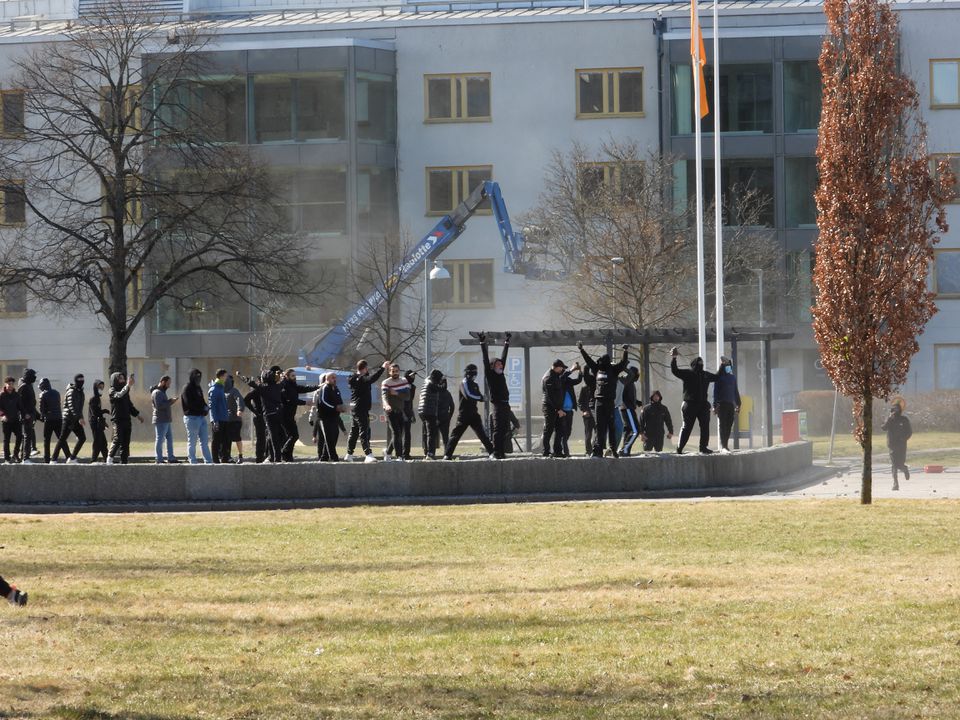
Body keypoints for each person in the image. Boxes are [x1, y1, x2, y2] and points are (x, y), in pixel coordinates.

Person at [578, 342, 630, 459]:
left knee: (611, 426)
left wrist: (625, 351)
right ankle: (598, 450)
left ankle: (613, 449)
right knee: (599, 427)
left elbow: (623, 363)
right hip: (599, 402)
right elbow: (589, 361)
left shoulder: (613, 369)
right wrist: (581, 350)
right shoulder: (598, 369)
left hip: (609, 402)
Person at [670, 346, 720, 454]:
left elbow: (717, 377)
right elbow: (675, 371)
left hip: (700, 405)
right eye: (699, 364)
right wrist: (674, 358)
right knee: (688, 427)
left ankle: (702, 448)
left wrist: (674, 358)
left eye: (701, 364)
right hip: (690, 404)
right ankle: (680, 448)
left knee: (702, 427)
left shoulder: (702, 374)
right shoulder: (692, 374)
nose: (700, 365)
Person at [443, 364, 494, 460]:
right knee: (455, 435)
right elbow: (468, 395)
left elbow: (478, 395)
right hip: (464, 415)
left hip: (474, 414)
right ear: (467, 373)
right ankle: (447, 455)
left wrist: (484, 397)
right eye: (473, 372)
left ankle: (491, 453)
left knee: (482, 435)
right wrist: (482, 398)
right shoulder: (463, 383)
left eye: (475, 372)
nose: (474, 375)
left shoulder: (475, 385)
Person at [345, 359, 389, 463]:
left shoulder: (353, 378)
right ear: (365, 368)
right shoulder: (362, 379)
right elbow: (372, 378)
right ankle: (368, 454)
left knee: (354, 432)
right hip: (361, 409)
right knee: (364, 431)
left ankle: (349, 454)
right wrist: (382, 368)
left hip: (355, 408)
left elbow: (367, 378)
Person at [479, 331, 511, 459]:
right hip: (497, 405)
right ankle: (496, 452)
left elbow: (504, 357)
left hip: (505, 404)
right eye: (498, 364)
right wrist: (482, 343)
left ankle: (502, 451)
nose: (501, 365)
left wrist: (507, 343)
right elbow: (485, 360)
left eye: (501, 365)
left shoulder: (501, 373)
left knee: (504, 429)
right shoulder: (491, 374)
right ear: (493, 366)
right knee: (497, 429)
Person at [279, 369, 319, 462]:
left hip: (290, 415)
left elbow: (305, 388)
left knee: (291, 436)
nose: (295, 377)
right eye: (292, 375)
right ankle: (284, 452)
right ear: (287, 376)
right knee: (294, 436)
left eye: (295, 375)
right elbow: (292, 400)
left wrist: (317, 387)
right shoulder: (284, 386)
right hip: (284, 415)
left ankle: (288, 456)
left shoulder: (293, 385)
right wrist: (305, 402)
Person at [107, 371, 142, 464]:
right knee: (118, 439)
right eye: (120, 378)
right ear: (115, 380)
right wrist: (128, 386)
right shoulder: (112, 390)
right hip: (117, 420)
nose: (122, 380)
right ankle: (109, 458)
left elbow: (129, 406)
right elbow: (118, 396)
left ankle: (124, 462)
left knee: (126, 443)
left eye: (123, 378)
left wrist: (137, 415)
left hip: (127, 420)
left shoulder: (125, 391)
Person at [180, 368, 212, 464]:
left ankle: (208, 461)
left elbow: (202, 401)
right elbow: (189, 404)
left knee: (204, 442)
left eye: (200, 376)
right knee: (192, 441)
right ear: (192, 376)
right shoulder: (187, 388)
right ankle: (193, 461)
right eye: (196, 376)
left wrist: (206, 408)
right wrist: (202, 409)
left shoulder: (198, 388)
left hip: (201, 418)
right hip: (192, 418)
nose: (199, 378)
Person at [381, 363, 411, 462]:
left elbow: (407, 397)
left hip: (400, 411)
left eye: (396, 371)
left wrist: (396, 393)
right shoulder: (386, 382)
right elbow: (384, 396)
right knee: (396, 433)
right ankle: (399, 456)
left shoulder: (404, 381)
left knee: (399, 434)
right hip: (390, 411)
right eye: (393, 371)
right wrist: (386, 405)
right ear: (389, 372)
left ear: (399, 371)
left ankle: (388, 452)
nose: (395, 373)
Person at [315, 372, 348, 461]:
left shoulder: (336, 389)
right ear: (327, 379)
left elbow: (339, 401)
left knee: (335, 436)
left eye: (335, 377)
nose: (335, 379)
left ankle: (324, 458)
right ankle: (334, 458)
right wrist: (335, 408)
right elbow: (323, 402)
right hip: (325, 417)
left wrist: (343, 407)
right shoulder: (324, 388)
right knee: (329, 437)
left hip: (334, 417)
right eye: (333, 377)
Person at [54, 374, 86, 464]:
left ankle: (72, 458)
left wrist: (81, 417)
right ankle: (53, 459)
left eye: (83, 380)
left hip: (76, 419)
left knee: (82, 438)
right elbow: (72, 407)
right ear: (75, 381)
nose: (81, 381)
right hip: (68, 419)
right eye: (79, 380)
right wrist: (80, 417)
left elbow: (79, 408)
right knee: (62, 439)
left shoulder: (80, 392)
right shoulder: (71, 392)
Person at [713, 356, 742, 452]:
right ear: (724, 366)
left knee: (729, 425)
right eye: (728, 365)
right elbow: (715, 392)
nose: (729, 367)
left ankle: (725, 444)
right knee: (723, 425)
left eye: (730, 365)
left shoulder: (732, 378)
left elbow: (735, 391)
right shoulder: (719, 378)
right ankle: (723, 445)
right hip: (722, 404)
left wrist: (738, 404)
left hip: (730, 405)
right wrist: (715, 404)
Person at [882, 401, 913, 491]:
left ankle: (904, 469)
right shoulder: (890, 419)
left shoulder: (904, 419)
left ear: (900, 410)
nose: (895, 411)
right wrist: (889, 419)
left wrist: (904, 438)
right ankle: (896, 484)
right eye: (893, 409)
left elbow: (909, 432)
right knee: (894, 465)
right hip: (892, 445)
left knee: (900, 464)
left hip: (902, 445)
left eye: (897, 409)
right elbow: (884, 428)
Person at [554, 361, 582, 458]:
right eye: (563, 369)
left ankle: (564, 447)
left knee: (568, 431)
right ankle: (565, 451)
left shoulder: (568, 381)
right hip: (562, 411)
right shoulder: (559, 380)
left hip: (569, 411)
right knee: (562, 431)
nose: (564, 370)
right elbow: (562, 378)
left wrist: (580, 371)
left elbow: (578, 381)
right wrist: (572, 369)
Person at [540, 359, 567, 457]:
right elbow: (550, 396)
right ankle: (546, 451)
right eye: (561, 368)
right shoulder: (549, 377)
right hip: (550, 407)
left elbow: (564, 374)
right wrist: (558, 409)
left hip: (558, 408)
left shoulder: (556, 375)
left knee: (560, 429)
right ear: (556, 367)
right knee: (549, 428)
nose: (562, 370)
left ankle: (558, 451)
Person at [150, 375, 178, 464]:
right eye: (168, 383)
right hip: (161, 420)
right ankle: (159, 459)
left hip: (166, 419)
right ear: (162, 382)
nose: (169, 385)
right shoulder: (157, 392)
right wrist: (171, 401)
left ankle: (171, 457)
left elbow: (163, 404)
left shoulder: (161, 392)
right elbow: (159, 406)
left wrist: (169, 401)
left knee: (169, 438)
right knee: (160, 439)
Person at [418, 369, 444, 459]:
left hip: (422, 410)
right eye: (440, 378)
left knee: (426, 432)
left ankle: (426, 452)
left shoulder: (426, 381)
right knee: (431, 433)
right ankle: (430, 453)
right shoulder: (432, 383)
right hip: (429, 411)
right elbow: (442, 389)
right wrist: (444, 382)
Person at [38, 377, 62, 464]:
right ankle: (68, 456)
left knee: (46, 440)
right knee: (61, 439)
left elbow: (42, 410)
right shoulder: (57, 393)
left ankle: (47, 459)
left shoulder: (42, 395)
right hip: (59, 418)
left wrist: (42, 417)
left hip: (49, 420)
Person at [208, 369, 230, 463]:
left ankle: (225, 458)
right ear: (221, 376)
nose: (226, 378)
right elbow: (212, 407)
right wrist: (214, 420)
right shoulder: (214, 389)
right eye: (225, 376)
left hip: (224, 418)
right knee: (216, 440)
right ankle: (215, 459)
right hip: (218, 419)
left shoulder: (221, 388)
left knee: (225, 440)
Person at [243, 379, 268, 463]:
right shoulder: (256, 391)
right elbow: (246, 400)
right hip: (259, 417)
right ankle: (259, 457)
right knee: (261, 438)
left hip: (266, 416)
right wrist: (255, 411)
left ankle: (266, 455)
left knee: (267, 437)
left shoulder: (267, 390)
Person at [0, 376, 24, 463]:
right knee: (7, 439)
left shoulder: (16, 395)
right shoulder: (2, 395)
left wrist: (26, 415)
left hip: (15, 420)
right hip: (6, 421)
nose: (10, 385)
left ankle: (15, 454)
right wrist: (2, 415)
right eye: (9, 384)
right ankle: (7, 458)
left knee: (20, 436)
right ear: (5, 384)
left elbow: (20, 407)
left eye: (12, 384)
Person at [619, 366, 642, 456]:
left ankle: (625, 451)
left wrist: (636, 402)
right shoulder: (626, 382)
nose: (638, 375)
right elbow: (622, 395)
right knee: (635, 431)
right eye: (637, 373)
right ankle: (624, 449)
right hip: (627, 409)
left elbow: (628, 396)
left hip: (629, 408)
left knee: (628, 430)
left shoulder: (630, 383)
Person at [17, 369, 37, 462]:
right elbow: (20, 403)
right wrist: (25, 414)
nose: (35, 377)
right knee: (27, 436)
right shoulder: (24, 386)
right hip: (26, 416)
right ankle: (25, 458)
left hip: (30, 415)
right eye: (33, 375)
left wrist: (37, 415)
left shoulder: (29, 385)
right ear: (28, 376)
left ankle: (24, 457)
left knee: (27, 436)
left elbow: (31, 403)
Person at [224, 375, 244, 463]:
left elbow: (239, 399)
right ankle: (227, 456)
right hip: (225, 420)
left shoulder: (233, 391)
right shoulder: (221, 392)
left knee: (236, 437)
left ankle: (240, 455)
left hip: (235, 419)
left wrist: (240, 409)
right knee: (227, 439)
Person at [89, 380, 110, 463]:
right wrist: (105, 411)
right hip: (95, 424)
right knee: (98, 442)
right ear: (95, 388)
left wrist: (104, 423)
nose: (101, 389)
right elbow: (95, 412)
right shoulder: (93, 399)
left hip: (98, 423)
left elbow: (98, 412)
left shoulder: (97, 398)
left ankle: (107, 459)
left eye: (102, 387)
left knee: (103, 443)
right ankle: (93, 460)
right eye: (99, 387)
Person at [578, 367, 595, 455]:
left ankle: (595, 449)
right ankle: (588, 451)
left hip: (596, 414)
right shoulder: (584, 388)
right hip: (587, 415)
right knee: (588, 434)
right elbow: (580, 401)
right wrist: (584, 410)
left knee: (598, 434)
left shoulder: (599, 386)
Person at [437, 377, 455, 453]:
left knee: (433, 436)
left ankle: (431, 453)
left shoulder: (437, 392)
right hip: (443, 417)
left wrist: (449, 417)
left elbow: (452, 406)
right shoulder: (446, 393)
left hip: (439, 418)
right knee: (445, 438)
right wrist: (449, 416)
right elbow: (452, 406)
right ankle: (446, 453)